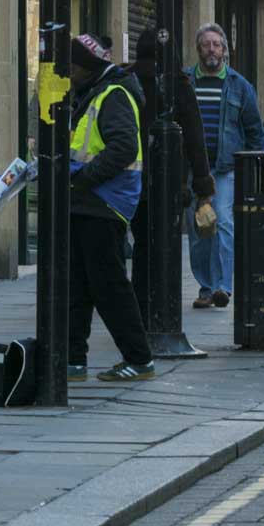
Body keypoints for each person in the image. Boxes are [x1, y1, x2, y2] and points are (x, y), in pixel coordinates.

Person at [67, 34, 157, 382]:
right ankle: (73, 360)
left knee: (109, 286)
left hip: (105, 202)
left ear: (86, 67)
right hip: (86, 202)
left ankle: (140, 358)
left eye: (71, 68)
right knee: (76, 285)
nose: (68, 73)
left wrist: (84, 179)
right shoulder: (90, 92)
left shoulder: (114, 94)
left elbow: (122, 148)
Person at [127, 27, 214, 315]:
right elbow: (194, 137)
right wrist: (203, 185)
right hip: (169, 181)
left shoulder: (127, 80)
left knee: (141, 243)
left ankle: (141, 302)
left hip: (132, 178)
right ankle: (163, 303)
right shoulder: (178, 84)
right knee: (166, 243)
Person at [187, 23, 264, 310]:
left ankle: (223, 286)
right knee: (198, 230)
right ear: (198, 49)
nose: (211, 49)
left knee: (222, 224)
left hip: (224, 169)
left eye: (216, 45)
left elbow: (255, 131)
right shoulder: (185, 82)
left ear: (224, 50)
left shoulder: (238, 85)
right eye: (206, 44)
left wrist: (256, 168)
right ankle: (206, 287)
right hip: (192, 170)